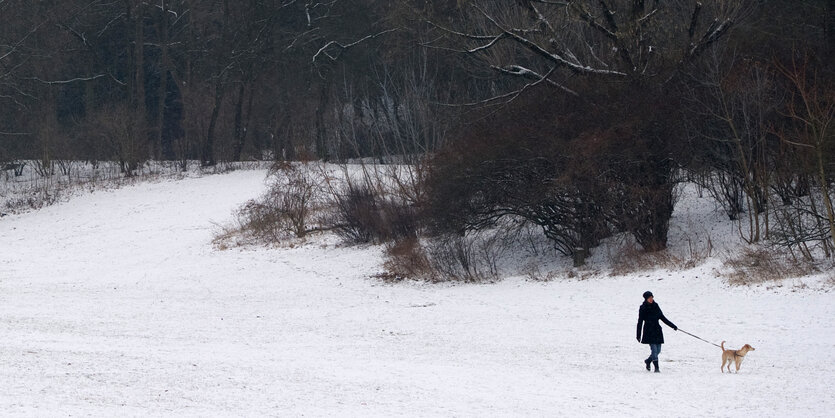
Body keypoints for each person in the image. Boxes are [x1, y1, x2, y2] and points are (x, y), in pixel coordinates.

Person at [636, 291, 677, 373]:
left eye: (652, 297)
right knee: (654, 350)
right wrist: (638, 335)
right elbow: (640, 322)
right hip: (649, 331)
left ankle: (648, 361)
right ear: (646, 299)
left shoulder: (656, 306)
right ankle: (657, 368)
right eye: (649, 298)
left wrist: (673, 326)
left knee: (658, 350)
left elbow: (662, 317)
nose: (651, 299)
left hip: (657, 330)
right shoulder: (643, 308)